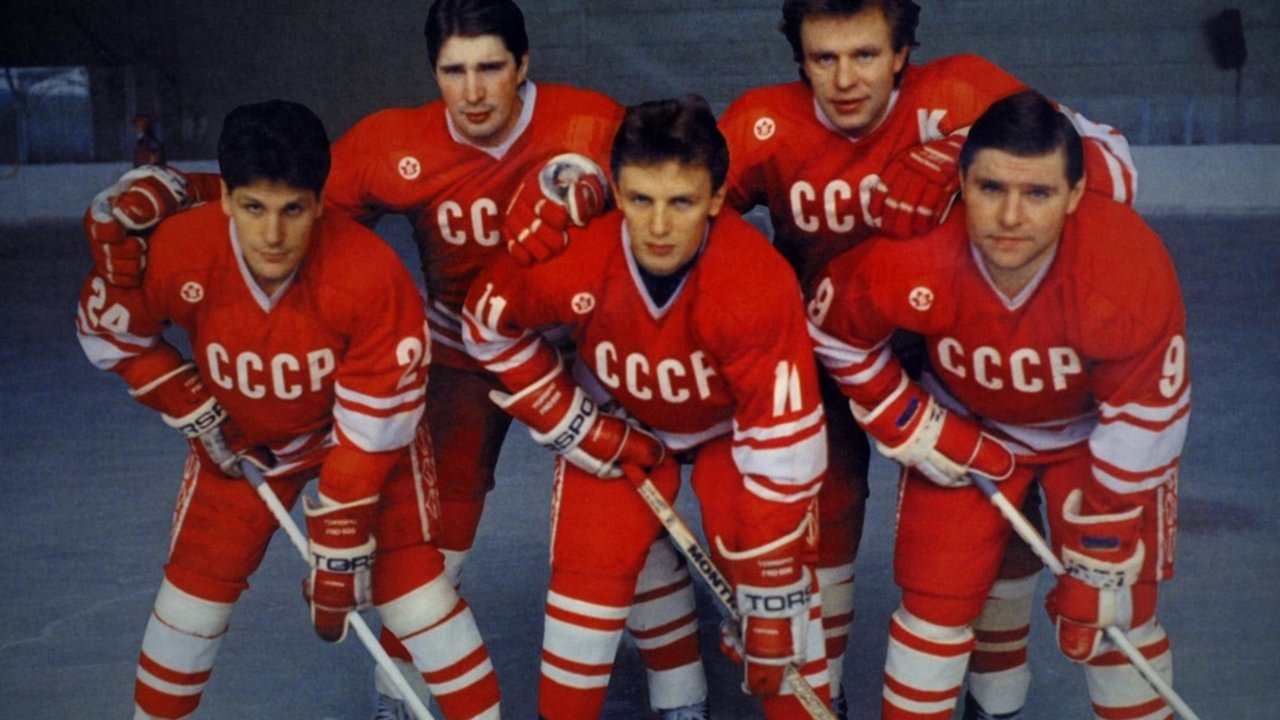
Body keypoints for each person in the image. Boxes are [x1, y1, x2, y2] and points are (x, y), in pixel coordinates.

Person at [79, 3, 709, 718]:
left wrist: (584, 186)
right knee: (439, 540)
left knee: (626, 519)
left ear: (524, 66)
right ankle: (397, 695)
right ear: (433, 72)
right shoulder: (394, 142)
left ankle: (679, 692)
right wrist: (171, 194)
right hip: (462, 352)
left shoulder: (589, 119)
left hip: (585, 350)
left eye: (491, 68)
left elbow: (676, 183)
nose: (473, 91)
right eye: (454, 71)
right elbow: (287, 192)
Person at [717, 2, 1137, 715]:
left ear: (902, 53)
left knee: (991, 515)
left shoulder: (960, 90)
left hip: (953, 351)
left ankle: (994, 700)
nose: (845, 80)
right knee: (826, 507)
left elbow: (1116, 168)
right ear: (800, 60)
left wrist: (964, 148)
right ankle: (821, 694)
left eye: (865, 55)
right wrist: (753, 284)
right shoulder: (765, 120)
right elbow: (682, 205)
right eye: (824, 58)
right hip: (831, 344)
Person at [74, 99, 501, 719]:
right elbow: (109, 332)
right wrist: (185, 398)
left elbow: (375, 428)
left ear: (321, 201)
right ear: (225, 199)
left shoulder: (369, 274)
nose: (272, 235)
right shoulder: (180, 250)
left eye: (292, 210)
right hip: (242, 441)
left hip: (358, 445)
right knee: (189, 605)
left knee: (417, 599)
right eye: (254, 208)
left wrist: (342, 536)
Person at [805, 89, 1188, 720]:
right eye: (990, 189)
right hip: (968, 423)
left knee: (1119, 620)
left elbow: (1148, 416)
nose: (1010, 216)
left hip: (1094, 438)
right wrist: (908, 416)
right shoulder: (915, 255)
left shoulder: (1126, 264)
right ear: (962, 184)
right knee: (932, 609)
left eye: (1037, 193)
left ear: (1075, 194)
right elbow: (831, 328)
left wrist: (1103, 543)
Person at [463, 94, 831, 720]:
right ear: (616, 191)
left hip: (733, 434)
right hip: (620, 415)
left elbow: (784, 441)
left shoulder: (756, 281)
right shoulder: (577, 255)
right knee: (587, 585)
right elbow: (485, 322)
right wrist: (572, 421)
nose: (658, 226)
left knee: (786, 614)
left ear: (716, 198)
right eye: (639, 200)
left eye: (681, 202)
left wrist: (770, 585)